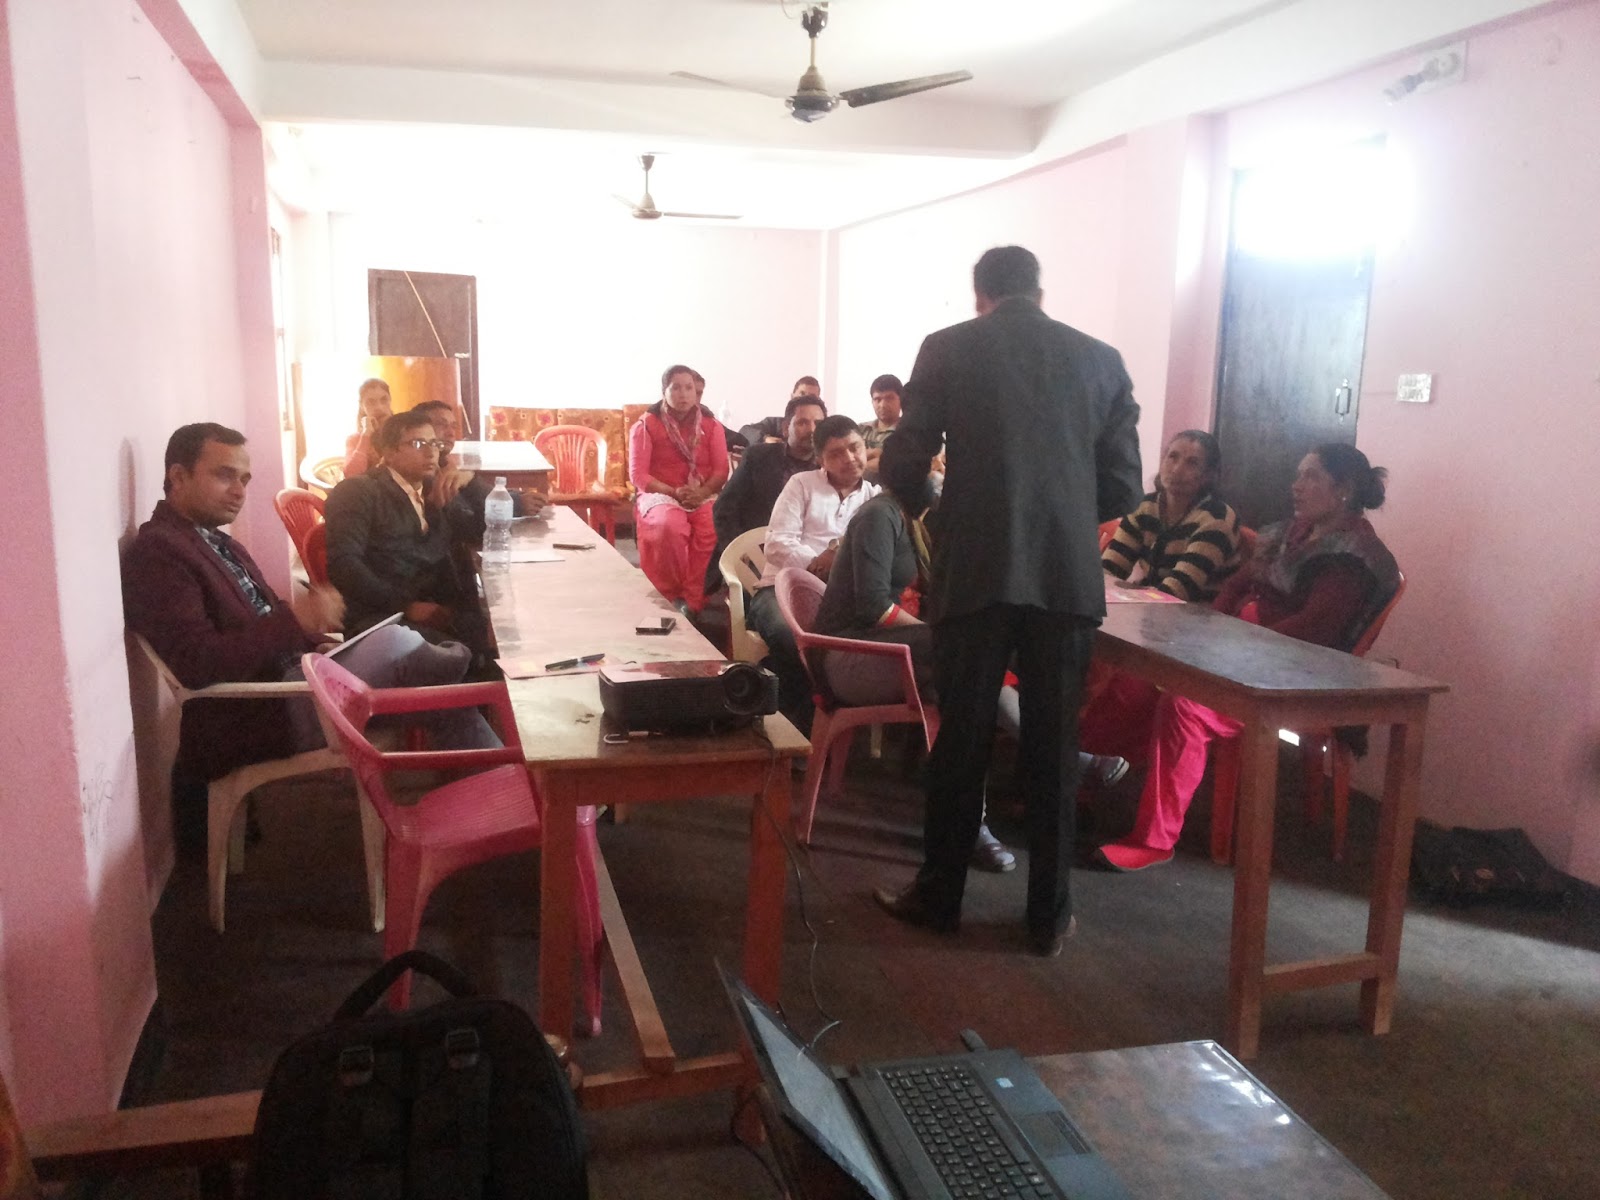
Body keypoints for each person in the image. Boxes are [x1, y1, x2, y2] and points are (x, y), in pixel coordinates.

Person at [874, 245, 1142, 957]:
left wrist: (934, 508)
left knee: (962, 740)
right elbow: (1123, 488)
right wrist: (1060, 512)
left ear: (980, 295)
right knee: (1054, 746)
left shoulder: (948, 348)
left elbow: (903, 459)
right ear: (1039, 292)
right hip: (1065, 579)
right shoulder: (1102, 360)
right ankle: (1048, 919)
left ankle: (939, 898)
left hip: (976, 570)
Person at [122, 423, 495, 829]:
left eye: (244, 479)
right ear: (178, 476)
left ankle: (495, 802)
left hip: (295, 681)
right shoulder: (160, 554)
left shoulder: (218, 542)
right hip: (261, 711)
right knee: (396, 644)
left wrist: (314, 643)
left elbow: (267, 624)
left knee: (440, 690)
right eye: (224, 475)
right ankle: (453, 663)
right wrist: (295, 621)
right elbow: (197, 664)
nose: (239, 491)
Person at [1084, 443, 1399, 872]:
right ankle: (1083, 781)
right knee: (1133, 681)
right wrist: (1208, 632)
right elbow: (1236, 584)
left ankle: (1154, 840)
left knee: (1185, 705)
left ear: (1343, 489)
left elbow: (1312, 633)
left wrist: (1231, 646)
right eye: (1298, 474)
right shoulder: (1292, 533)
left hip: (1291, 671)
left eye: (1311, 476)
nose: (1296, 486)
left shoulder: (1354, 557)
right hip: (1240, 647)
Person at [812, 432, 1022, 870]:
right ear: (910, 475)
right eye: (934, 468)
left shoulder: (912, 519)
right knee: (969, 654)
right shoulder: (879, 516)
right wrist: (938, 634)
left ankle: (972, 823)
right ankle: (1053, 758)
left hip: (885, 653)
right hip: (847, 658)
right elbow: (873, 608)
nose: (940, 477)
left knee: (972, 684)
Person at [747, 415, 879, 731]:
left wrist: (838, 566)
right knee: (792, 636)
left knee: (852, 644)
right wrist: (818, 564)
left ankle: (816, 725)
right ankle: (798, 729)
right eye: (836, 453)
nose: (850, 458)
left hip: (837, 598)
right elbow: (777, 545)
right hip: (780, 589)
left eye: (855, 448)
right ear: (820, 459)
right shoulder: (802, 485)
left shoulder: (874, 498)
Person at [324, 409, 485, 651]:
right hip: (384, 619)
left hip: (438, 607)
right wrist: (405, 605)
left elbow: (481, 531)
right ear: (389, 452)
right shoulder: (358, 491)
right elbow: (344, 565)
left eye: (434, 443)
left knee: (499, 637)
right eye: (418, 444)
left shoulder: (433, 489)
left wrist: (470, 481)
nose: (431, 452)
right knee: (471, 653)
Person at [628, 364, 730, 615]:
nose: (683, 394)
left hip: (702, 493)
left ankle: (693, 600)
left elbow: (720, 471)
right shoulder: (646, 425)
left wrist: (702, 493)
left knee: (712, 525)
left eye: (689, 388)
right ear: (664, 391)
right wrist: (674, 492)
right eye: (676, 388)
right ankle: (668, 595)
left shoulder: (711, 425)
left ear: (696, 392)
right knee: (668, 526)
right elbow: (638, 475)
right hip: (660, 493)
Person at [706, 394, 827, 594]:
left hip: (812, 559)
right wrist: (739, 548)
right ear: (785, 427)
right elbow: (724, 508)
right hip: (759, 554)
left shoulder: (828, 467)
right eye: (803, 423)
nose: (812, 430)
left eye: (818, 424)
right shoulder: (759, 458)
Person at [1102, 430, 1242, 601]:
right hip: (1152, 604)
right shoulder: (1143, 507)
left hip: (1197, 612)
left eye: (1192, 463)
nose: (1176, 469)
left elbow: (1178, 590)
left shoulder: (1217, 519)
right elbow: (1109, 569)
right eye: (1172, 457)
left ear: (1208, 476)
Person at [740, 376, 823, 447]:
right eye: (802, 394)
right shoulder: (775, 423)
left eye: (811, 397)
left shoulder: (822, 428)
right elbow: (745, 431)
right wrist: (764, 438)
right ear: (792, 396)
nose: (805, 400)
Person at [342, 378, 393, 477]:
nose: (379, 407)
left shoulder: (404, 432)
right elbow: (351, 475)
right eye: (371, 402)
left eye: (384, 400)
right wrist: (366, 434)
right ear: (362, 406)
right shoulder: (355, 439)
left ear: (390, 400)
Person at [858, 373, 903, 473]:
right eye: (877, 399)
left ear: (902, 400)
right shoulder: (860, 429)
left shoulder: (909, 433)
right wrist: (875, 453)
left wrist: (857, 466)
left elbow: (895, 465)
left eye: (889, 398)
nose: (882, 405)